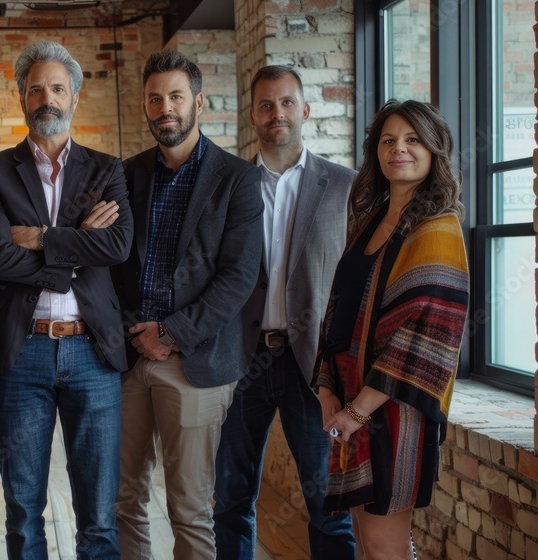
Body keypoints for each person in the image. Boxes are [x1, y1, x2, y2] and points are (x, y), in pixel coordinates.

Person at [0, 41, 133, 560]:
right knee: (22, 514)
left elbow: (116, 245)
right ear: (21, 98)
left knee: (100, 517)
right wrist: (75, 242)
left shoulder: (107, 169)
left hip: (93, 354)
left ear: (75, 98)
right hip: (22, 355)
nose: (47, 98)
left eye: (57, 88)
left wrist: (40, 237)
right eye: (36, 88)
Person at [111, 50, 264, 560]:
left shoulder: (238, 178)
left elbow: (238, 276)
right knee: (123, 499)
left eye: (176, 96)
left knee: (191, 507)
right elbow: (111, 268)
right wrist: (137, 331)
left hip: (196, 364)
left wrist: (171, 333)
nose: (165, 108)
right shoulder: (126, 174)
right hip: (129, 359)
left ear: (198, 101)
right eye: (155, 98)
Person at [315, 99, 469, 560]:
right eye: (388, 140)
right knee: (367, 540)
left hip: (394, 408)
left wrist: (359, 410)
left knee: (384, 546)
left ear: (434, 149)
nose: (398, 149)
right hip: (350, 397)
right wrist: (327, 390)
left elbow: (425, 337)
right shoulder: (372, 222)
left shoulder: (437, 228)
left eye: (412, 139)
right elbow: (337, 307)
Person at [213, 65, 356, 560]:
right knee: (230, 499)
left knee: (327, 505)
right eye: (267, 105)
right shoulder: (228, 185)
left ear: (306, 110)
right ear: (253, 115)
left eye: (288, 102)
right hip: (239, 362)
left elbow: (356, 283)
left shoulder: (345, 187)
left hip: (314, 367)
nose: (278, 113)